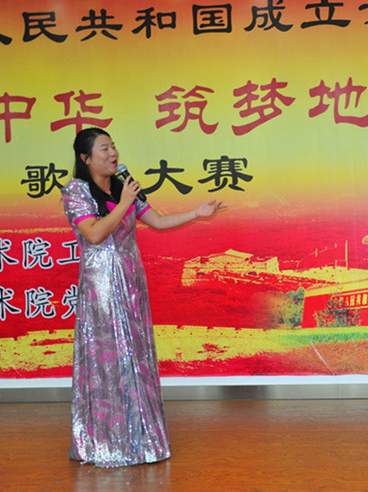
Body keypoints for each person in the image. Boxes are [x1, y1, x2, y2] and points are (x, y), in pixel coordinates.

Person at [61, 127, 225, 467]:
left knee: (134, 355)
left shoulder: (123, 185)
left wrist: (196, 213)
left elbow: (158, 222)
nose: (113, 153)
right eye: (104, 148)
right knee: (108, 357)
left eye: (113, 146)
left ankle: (140, 437)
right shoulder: (77, 190)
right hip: (102, 285)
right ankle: (105, 442)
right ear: (85, 158)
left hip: (131, 280)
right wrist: (123, 203)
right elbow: (93, 234)